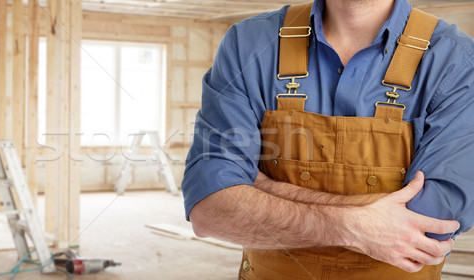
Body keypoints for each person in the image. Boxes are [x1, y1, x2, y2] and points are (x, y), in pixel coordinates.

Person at [181, 0, 474, 279]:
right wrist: (352, 226)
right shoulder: (248, 45)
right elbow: (210, 209)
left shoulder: (457, 60)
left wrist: (264, 187)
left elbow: (432, 227)